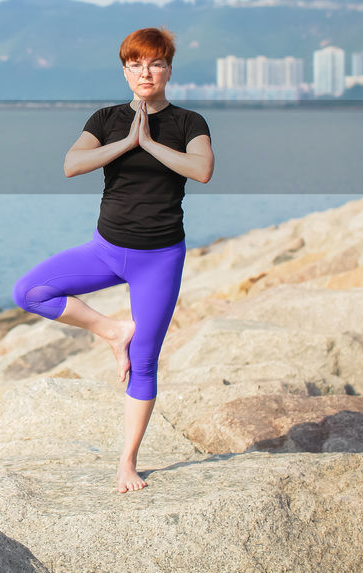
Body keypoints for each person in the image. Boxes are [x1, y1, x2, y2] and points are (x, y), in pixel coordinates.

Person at [11, 26, 214, 493]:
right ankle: (112, 330)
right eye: (136, 64)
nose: (147, 72)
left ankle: (127, 463)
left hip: (159, 257)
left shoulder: (189, 122)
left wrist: (149, 144)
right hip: (106, 249)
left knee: (144, 363)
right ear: (125, 71)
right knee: (30, 292)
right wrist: (125, 142)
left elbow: (201, 170)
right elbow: (71, 164)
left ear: (168, 69)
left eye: (156, 63)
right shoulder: (105, 118)